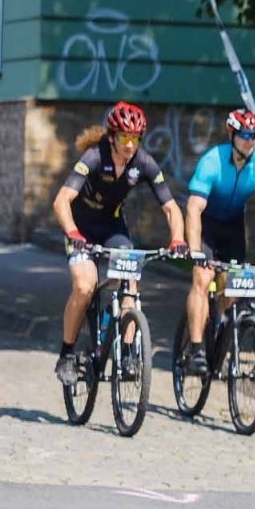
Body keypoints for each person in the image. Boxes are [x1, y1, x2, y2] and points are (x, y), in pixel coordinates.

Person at [52, 100, 187, 384]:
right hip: (82, 229)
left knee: (130, 283)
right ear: (112, 136)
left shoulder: (143, 163)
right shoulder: (93, 157)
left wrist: (178, 238)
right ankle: (66, 353)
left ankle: (127, 354)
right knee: (84, 285)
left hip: (113, 228)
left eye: (135, 139)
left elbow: (171, 208)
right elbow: (62, 200)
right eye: (124, 138)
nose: (130, 144)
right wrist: (72, 233)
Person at [180, 109, 255, 375]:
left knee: (233, 286)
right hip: (207, 224)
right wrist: (196, 250)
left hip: (233, 226)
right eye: (245, 135)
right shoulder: (212, 160)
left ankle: (222, 325)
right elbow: (193, 209)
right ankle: (197, 350)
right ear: (231, 133)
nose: (250, 141)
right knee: (202, 278)